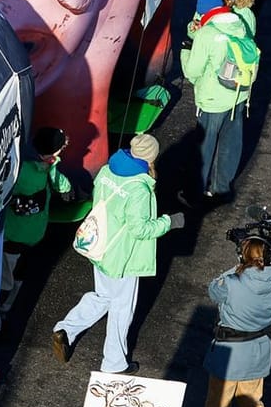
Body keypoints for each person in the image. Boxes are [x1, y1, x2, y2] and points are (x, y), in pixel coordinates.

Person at [53, 135, 183, 374]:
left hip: (99, 246)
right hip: (123, 257)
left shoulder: (108, 170)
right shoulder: (139, 189)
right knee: (122, 308)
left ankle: (66, 329)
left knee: (103, 296)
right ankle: (114, 363)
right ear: (151, 157)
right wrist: (169, 221)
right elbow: (140, 229)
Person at [203, 237, 271, 407]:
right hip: (257, 353)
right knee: (252, 404)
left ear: (244, 256)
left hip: (229, 357)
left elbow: (213, 289)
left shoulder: (231, 283)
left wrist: (237, 266)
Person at [179, 0, 257, 199]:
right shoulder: (238, 23)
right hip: (238, 94)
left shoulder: (207, 34)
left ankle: (193, 193)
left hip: (214, 100)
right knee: (230, 143)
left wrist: (186, 51)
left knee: (204, 147)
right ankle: (221, 188)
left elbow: (192, 71)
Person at [0, 126, 75, 324]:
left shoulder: (38, 162)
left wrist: (63, 183)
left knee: (16, 273)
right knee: (7, 279)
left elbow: (56, 178)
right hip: (16, 235)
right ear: (52, 152)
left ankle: (5, 309)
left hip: (23, 234)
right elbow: (54, 181)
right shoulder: (31, 172)